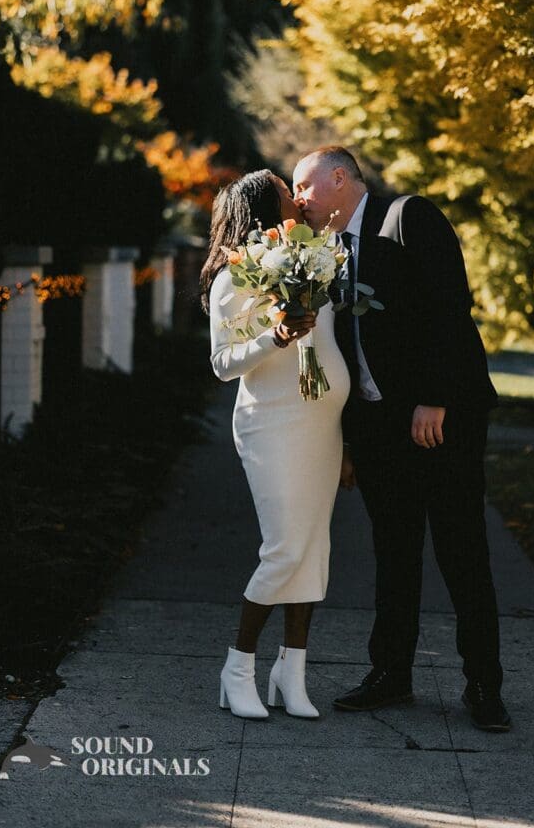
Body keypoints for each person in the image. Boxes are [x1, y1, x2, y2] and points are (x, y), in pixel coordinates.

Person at [291, 146, 511, 732]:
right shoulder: (325, 250)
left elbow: (450, 307)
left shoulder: (408, 216)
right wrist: (346, 441)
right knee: (393, 553)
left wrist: (435, 398)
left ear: (340, 178)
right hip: (377, 429)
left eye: (304, 186)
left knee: (461, 551)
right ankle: (391, 673)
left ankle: (484, 686)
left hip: (442, 420)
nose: (299, 198)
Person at [199, 169, 353, 720]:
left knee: (314, 550)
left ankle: (291, 673)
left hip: (321, 425)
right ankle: (238, 668)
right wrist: (276, 336)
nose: (298, 198)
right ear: (265, 209)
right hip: (271, 424)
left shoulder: (315, 258)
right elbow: (223, 364)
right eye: (289, 193)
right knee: (285, 548)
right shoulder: (234, 279)